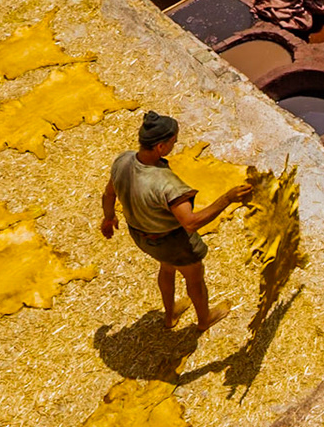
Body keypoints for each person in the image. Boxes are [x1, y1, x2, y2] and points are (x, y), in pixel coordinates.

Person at [101, 111, 252, 331]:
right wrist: (227, 199)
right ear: (160, 147)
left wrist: (108, 217)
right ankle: (204, 319)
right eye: (173, 141)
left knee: (166, 267)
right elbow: (190, 223)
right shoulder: (167, 185)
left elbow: (108, 194)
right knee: (195, 278)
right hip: (172, 242)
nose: (176, 143)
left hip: (141, 235)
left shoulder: (123, 161)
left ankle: (170, 316)